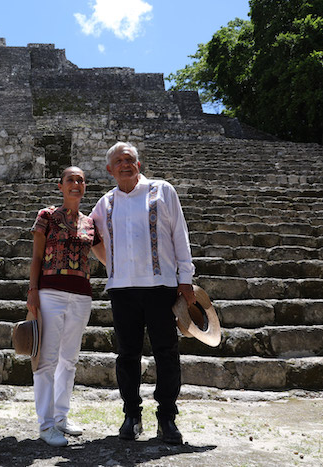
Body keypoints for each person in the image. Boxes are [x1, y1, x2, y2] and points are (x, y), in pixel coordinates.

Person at [90, 142, 196, 445]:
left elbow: (180, 233)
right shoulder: (105, 203)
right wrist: (113, 265)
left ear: (139, 164)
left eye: (130, 159)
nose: (125, 164)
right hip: (122, 290)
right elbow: (91, 236)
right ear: (109, 170)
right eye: (119, 161)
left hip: (161, 285)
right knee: (127, 355)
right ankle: (131, 416)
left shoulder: (162, 191)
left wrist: (185, 279)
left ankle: (167, 418)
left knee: (166, 353)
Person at [27, 166, 102, 447]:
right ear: (60, 186)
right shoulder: (46, 216)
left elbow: (104, 256)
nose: (76, 183)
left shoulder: (90, 223)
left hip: (82, 295)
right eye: (70, 179)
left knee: (69, 359)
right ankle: (46, 425)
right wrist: (32, 290)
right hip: (51, 294)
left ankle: (61, 417)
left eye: (81, 180)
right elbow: (36, 257)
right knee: (47, 359)